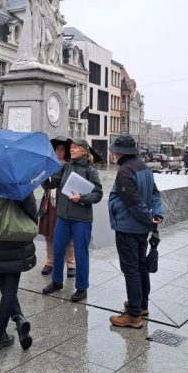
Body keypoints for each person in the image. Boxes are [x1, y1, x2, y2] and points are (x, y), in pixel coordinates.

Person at [107, 134, 163, 329]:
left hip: (128, 226)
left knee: (130, 269)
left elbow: (133, 203)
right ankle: (141, 305)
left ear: (120, 153)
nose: (113, 154)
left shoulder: (125, 171)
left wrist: (147, 216)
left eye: (114, 151)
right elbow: (155, 193)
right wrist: (156, 214)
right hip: (141, 229)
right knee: (140, 266)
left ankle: (133, 315)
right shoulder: (144, 167)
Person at [42, 138, 103, 302]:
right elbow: (52, 183)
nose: (71, 149)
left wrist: (81, 198)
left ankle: (82, 288)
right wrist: (45, 177)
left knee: (81, 253)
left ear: (84, 150)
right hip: (63, 216)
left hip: (81, 219)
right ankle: (56, 282)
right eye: (71, 147)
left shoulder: (91, 171)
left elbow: (98, 194)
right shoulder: (65, 167)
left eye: (75, 147)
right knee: (58, 249)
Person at [0, 193, 37, 351]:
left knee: (5, 286)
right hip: (14, 237)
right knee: (10, 290)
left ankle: (18, 317)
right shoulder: (16, 181)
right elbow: (31, 209)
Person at [38, 139, 75, 277]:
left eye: (62, 149)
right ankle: (49, 262)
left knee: (68, 236)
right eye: (57, 149)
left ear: (65, 152)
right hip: (50, 202)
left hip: (64, 203)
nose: (59, 152)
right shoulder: (48, 165)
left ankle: (70, 264)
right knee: (49, 234)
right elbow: (44, 185)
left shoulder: (70, 166)